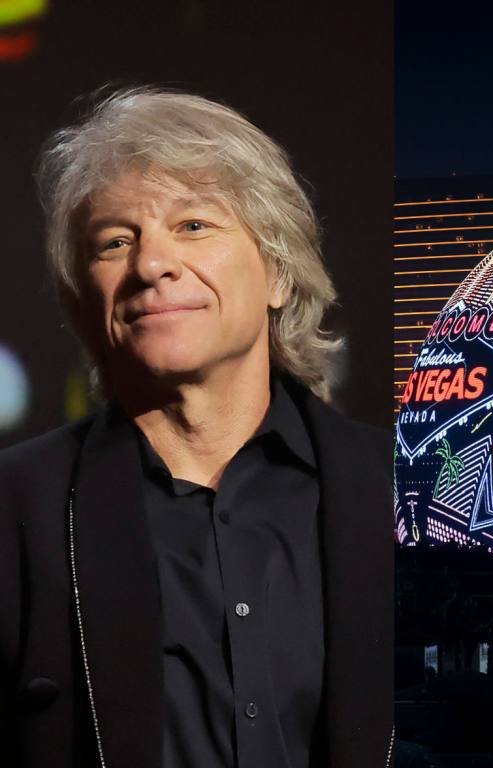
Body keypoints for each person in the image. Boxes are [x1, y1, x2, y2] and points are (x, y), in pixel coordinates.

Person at [0, 87, 393, 767]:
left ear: (278, 271)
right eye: (115, 241)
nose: (151, 264)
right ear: (85, 305)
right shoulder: (15, 507)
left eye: (193, 226)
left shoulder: (397, 488)